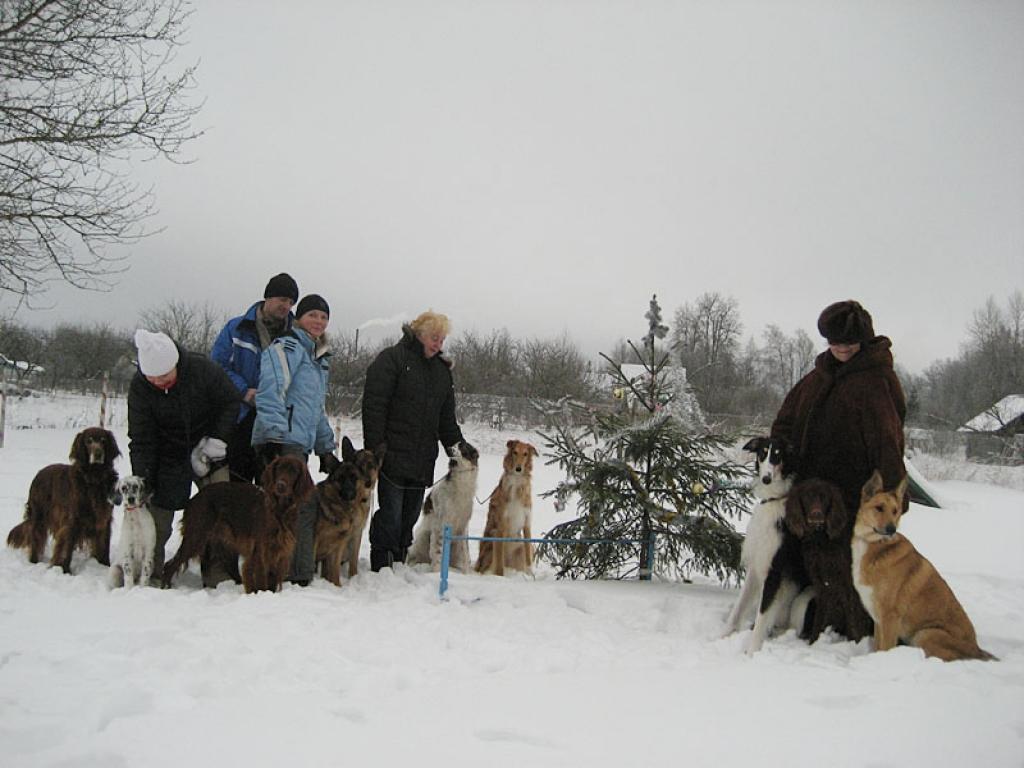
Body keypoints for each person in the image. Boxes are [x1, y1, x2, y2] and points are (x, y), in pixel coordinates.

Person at [771, 299, 907, 514]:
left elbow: (887, 439)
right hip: (805, 497)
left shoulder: (876, 381)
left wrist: (892, 493)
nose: (843, 349)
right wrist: (778, 459)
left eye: (850, 342)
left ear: (862, 340)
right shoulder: (816, 379)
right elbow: (785, 424)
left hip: (852, 501)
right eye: (836, 342)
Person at [127, 329, 241, 583]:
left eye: (165, 375)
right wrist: (143, 477)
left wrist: (217, 439)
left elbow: (230, 401)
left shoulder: (203, 370)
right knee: (157, 517)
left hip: (207, 449)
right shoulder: (140, 388)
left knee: (221, 511)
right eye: (152, 378)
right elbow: (141, 437)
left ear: (176, 364)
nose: (159, 382)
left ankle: (219, 573)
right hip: (167, 455)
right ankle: (150, 572)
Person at [362, 310, 471, 572]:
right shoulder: (392, 360)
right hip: (391, 454)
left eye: (442, 339)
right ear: (419, 333)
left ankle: (399, 557)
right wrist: (375, 449)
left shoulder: (441, 372)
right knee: (391, 512)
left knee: (411, 514)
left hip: (422, 457)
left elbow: (446, 420)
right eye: (434, 337)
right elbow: (375, 405)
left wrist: (458, 449)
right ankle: (382, 558)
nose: (438, 344)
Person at [252, 294, 337, 586]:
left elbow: (314, 409)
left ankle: (293, 569)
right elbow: (272, 390)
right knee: (297, 507)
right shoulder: (287, 347)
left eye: (324, 317)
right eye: (313, 315)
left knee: (298, 507)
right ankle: (293, 572)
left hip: (300, 441)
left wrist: (326, 446)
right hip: (283, 441)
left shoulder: (318, 356)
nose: (318, 321)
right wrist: (274, 436)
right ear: (299, 318)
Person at [211, 272, 299, 482]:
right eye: (282, 299)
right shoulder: (237, 329)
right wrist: (244, 390)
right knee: (237, 486)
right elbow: (217, 366)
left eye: (290, 302)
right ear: (267, 297)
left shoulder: (296, 337)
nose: (286, 306)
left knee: (268, 491)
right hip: (240, 417)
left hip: (276, 423)